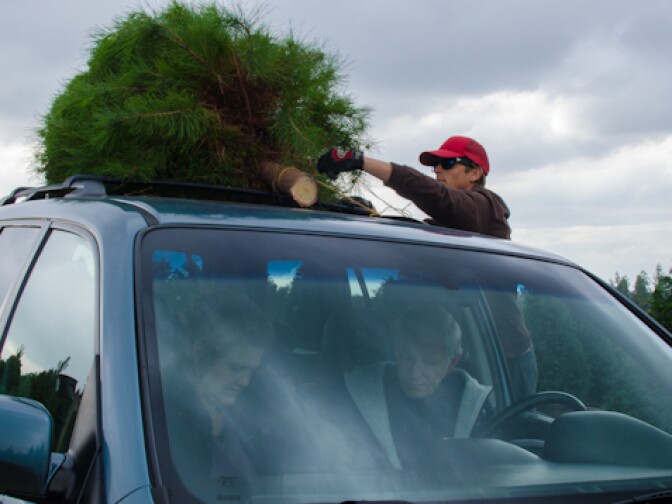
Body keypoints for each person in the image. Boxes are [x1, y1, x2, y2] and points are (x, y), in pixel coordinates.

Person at [317, 136, 537, 400]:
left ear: (475, 173)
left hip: (501, 363)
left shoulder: (486, 205)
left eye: (447, 162)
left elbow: (438, 197)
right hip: (453, 359)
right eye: (435, 165)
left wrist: (360, 162)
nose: (437, 170)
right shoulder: (450, 225)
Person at [343, 304, 492, 469]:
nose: (414, 373)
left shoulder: (473, 405)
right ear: (396, 352)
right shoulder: (360, 395)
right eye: (407, 358)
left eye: (429, 363)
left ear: (452, 362)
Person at [157, 283, 274, 492]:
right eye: (236, 368)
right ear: (200, 351)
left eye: (251, 371)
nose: (245, 382)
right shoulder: (163, 420)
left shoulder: (247, 409)